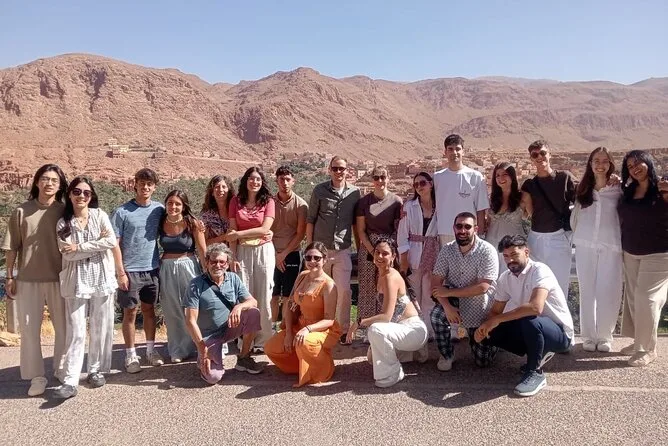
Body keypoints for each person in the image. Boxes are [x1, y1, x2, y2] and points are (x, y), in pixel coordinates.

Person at [474, 235, 574, 397]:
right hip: (532, 329)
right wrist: (483, 329)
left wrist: (496, 319)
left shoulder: (540, 270)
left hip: (559, 333)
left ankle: (535, 372)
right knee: (492, 330)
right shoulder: (505, 278)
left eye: (514, 255)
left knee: (529, 320)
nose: (510, 260)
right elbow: (495, 312)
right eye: (506, 256)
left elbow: (535, 307)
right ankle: (538, 353)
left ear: (526, 252)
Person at [1, 164, 68, 396]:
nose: (49, 183)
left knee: (64, 328)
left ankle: (62, 370)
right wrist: (10, 276)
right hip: (28, 279)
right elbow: (12, 247)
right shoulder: (22, 211)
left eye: (54, 180)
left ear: (60, 185)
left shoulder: (64, 211)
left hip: (60, 278)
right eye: (45, 179)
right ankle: (37, 377)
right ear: (37, 182)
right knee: (30, 331)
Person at [53, 177, 118, 399]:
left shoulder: (100, 216)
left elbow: (111, 241)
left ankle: (95, 370)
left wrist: (80, 246)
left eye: (86, 193)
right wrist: (95, 246)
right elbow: (67, 253)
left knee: (100, 326)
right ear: (70, 194)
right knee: (76, 330)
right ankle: (71, 380)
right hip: (76, 280)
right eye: (77, 192)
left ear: (92, 196)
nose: (81, 196)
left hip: (101, 278)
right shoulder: (63, 223)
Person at [347, 237, 427, 387]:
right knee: (372, 358)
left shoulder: (391, 277)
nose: (380, 256)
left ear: (393, 256)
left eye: (385, 253)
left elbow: (385, 317)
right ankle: (407, 354)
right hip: (399, 327)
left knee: (375, 330)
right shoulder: (381, 275)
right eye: (377, 252)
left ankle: (393, 373)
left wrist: (358, 323)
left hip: (413, 330)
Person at [184, 243, 264, 384]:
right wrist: (202, 350)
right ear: (207, 262)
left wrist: (239, 307)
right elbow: (190, 321)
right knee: (213, 378)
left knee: (253, 313)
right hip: (209, 336)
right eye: (214, 261)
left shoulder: (233, 278)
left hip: (229, 327)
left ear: (227, 264)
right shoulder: (195, 285)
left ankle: (244, 357)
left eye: (222, 262)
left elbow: (253, 301)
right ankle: (205, 358)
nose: (218, 265)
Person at [111, 168, 165, 373]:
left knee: (149, 311)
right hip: (130, 271)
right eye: (142, 183)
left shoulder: (159, 209)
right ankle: (130, 355)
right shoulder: (122, 212)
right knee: (130, 313)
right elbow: (114, 244)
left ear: (154, 187)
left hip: (152, 269)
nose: (145, 187)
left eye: (149, 184)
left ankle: (150, 351)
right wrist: (120, 272)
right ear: (135, 184)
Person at [617, 150, 668, 366]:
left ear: (648, 163)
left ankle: (647, 349)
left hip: (658, 253)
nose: (635, 168)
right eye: (630, 166)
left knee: (646, 299)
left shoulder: (662, 189)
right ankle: (639, 340)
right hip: (630, 251)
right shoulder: (628, 191)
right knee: (632, 299)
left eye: (638, 162)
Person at [265, 242, 341, 387]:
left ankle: (324, 369)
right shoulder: (302, 276)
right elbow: (290, 305)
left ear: (325, 260)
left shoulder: (328, 285)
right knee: (271, 347)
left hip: (322, 329)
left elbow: (329, 319)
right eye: (308, 257)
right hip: (300, 324)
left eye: (317, 258)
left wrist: (307, 329)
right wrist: (288, 333)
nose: (312, 261)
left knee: (305, 342)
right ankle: (302, 365)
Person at [430, 212, 499, 371]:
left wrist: (448, 293)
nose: (462, 230)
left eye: (467, 227)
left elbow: (482, 287)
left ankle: (496, 338)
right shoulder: (447, 250)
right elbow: (435, 284)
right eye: (459, 226)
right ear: (453, 228)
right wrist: (447, 307)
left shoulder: (487, 251)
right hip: (455, 301)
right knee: (436, 315)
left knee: (483, 362)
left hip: (480, 305)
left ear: (476, 229)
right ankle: (447, 354)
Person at [571, 147, 622, 352]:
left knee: (608, 291)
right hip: (585, 245)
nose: (600, 165)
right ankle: (589, 336)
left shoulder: (619, 189)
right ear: (590, 164)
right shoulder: (583, 190)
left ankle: (605, 336)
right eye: (596, 161)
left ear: (610, 164)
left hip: (611, 245)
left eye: (605, 161)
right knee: (587, 291)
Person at [306, 156, 361, 343]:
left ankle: (342, 330)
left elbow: (355, 224)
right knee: (319, 291)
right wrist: (310, 250)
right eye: (335, 168)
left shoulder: (354, 193)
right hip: (320, 252)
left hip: (342, 250)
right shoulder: (319, 190)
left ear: (347, 170)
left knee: (344, 290)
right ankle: (317, 329)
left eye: (341, 168)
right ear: (329, 170)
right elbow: (310, 220)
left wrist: (360, 248)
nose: (338, 172)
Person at [227, 166, 275, 350]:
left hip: (264, 250)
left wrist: (238, 234)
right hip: (242, 251)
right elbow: (231, 231)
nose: (254, 182)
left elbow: (265, 229)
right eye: (251, 178)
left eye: (258, 179)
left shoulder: (268, 201)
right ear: (245, 180)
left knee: (264, 294)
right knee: (244, 295)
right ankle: (244, 341)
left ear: (262, 182)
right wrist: (232, 256)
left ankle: (264, 340)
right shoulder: (235, 201)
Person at [520, 140, 576, 296]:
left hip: (559, 238)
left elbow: (582, 199)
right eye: (535, 155)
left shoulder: (564, 178)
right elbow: (527, 211)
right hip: (535, 240)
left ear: (549, 154)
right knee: (535, 286)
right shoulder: (529, 185)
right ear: (531, 159)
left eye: (543, 153)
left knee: (559, 287)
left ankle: (559, 314)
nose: (539, 157)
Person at [159, 190, 206, 363]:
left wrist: (207, 272)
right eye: (170, 203)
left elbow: (202, 250)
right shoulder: (160, 221)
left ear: (184, 206)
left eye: (177, 204)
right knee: (172, 310)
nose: (173, 207)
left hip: (189, 267)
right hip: (167, 268)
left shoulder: (193, 223)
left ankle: (200, 346)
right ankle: (178, 349)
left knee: (193, 307)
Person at [355, 166, 402, 326]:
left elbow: (398, 229)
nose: (380, 181)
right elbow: (361, 230)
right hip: (368, 249)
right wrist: (372, 251)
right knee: (367, 288)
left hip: (388, 250)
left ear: (388, 178)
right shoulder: (364, 202)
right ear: (372, 180)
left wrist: (387, 250)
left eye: (383, 177)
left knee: (386, 286)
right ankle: (364, 326)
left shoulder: (396, 202)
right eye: (376, 177)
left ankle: (385, 324)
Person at [397, 171, 439, 338]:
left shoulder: (440, 205)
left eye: (422, 183)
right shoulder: (409, 207)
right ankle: (415, 332)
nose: (419, 187)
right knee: (414, 295)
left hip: (433, 254)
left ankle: (429, 331)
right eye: (416, 185)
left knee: (429, 295)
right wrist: (404, 260)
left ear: (431, 184)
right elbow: (402, 235)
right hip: (413, 255)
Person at [433, 134, 489, 245]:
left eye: (458, 149)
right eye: (450, 149)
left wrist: (481, 236)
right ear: (445, 152)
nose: (454, 152)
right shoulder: (437, 177)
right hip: (444, 233)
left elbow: (481, 210)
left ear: (463, 151)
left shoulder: (475, 177)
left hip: (468, 233)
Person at [271, 166, 308, 329]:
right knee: (272, 294)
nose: (285, 183)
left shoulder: (301, 205)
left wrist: (283, 255)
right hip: (270, 253)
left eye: (288, 179)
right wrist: (274, 254)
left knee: (288, 295)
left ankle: (284, 330)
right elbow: (266, 231)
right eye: (281, 179)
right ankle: (270, 329)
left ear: (293, 181)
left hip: (292, 254)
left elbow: (300, 234)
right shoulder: (269, 203)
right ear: (276, 181)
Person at [486, 162, 529, 273]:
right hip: (492, 247)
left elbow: (535, 219)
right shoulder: (491, 199)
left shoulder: (523, 197)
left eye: (504, 174)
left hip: (514, 250)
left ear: (512, 176)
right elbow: (488, 223)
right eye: (497, 175)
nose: (500, 178)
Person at [200, 175, 236, 245]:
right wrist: (224, 237)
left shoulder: (237, 210)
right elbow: (204, 243)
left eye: (224, 187)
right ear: (212, 192)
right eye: (217, 187)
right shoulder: (206, 215)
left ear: (229, 190)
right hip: (215, 251)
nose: (221, 190)